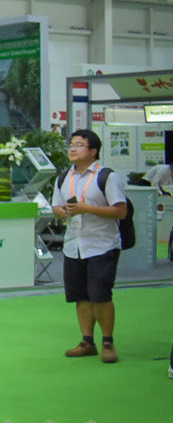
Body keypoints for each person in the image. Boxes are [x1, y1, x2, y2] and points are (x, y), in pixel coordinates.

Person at [52, 129, 128, 364]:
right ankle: (87, 342)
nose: (72, 149)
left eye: (79, 145)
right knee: (80, 296)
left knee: (101, 295)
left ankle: (108, 342)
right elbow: (56, 207)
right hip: (73, 245)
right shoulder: (64, 178)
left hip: (102, 245)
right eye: (71, 144)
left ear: (93, 151)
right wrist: (61, 211)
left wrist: (87, 208)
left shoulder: (107, 176)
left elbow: (121, 211)